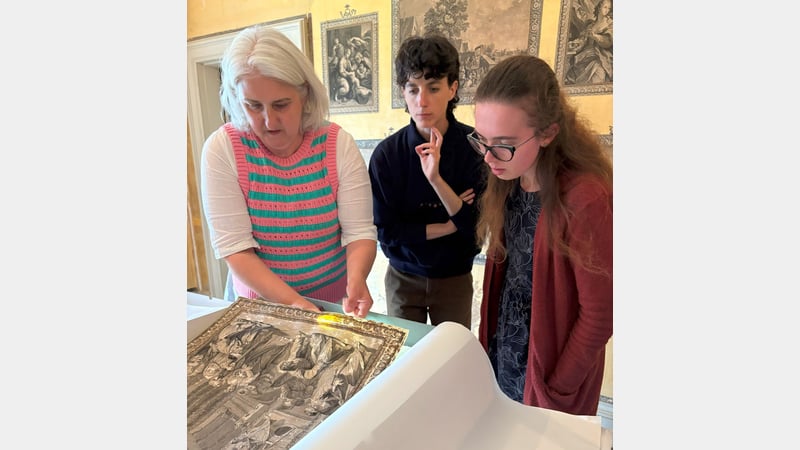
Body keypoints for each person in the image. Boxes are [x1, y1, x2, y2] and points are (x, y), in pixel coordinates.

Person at [200, 26, 377, 318]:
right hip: (261, 307)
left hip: (334, 301)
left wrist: (356, 279)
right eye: (253, 106)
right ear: (236, 99)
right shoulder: (222, 149)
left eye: (281, 104)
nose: (269, 121)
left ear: (304, 94)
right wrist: (296, 305)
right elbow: (236, 249)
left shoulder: (337, 144)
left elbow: (359, 232)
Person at [470, 55, 612, 416]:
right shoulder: (508, 178)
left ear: (548, 132)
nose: (488, 157)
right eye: (481, 140)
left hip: (550, 370)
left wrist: (558, 385)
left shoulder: (585, 197)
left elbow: (600, 314)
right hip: (508, 349)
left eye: (503, 142)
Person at [368, 34, 486, 329]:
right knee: (407, 361)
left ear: (452, 88)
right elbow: (388, 233)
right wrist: (449, 224)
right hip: (402, 277)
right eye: (413, 89)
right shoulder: (387, 156)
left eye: (433, 88)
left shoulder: (476, 148)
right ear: (403, 93)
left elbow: (475, 229)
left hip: (455, 277)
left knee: (452, 360)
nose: (422, 101)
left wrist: (435, 180)